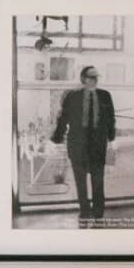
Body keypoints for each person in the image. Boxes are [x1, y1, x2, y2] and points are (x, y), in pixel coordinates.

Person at [50, 65, 116, 221]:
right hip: (78, 147)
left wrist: (111, 137)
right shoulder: (72, 97)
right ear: (82, 79)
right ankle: (84, 212)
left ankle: (98, 212)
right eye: (90, 77)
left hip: (97, 147)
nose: (94, 80)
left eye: (96, 77)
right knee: (80, 183)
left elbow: (110, 119)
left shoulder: (105, 96)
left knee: (98, 182)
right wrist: (57, 138)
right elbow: (63, 119)